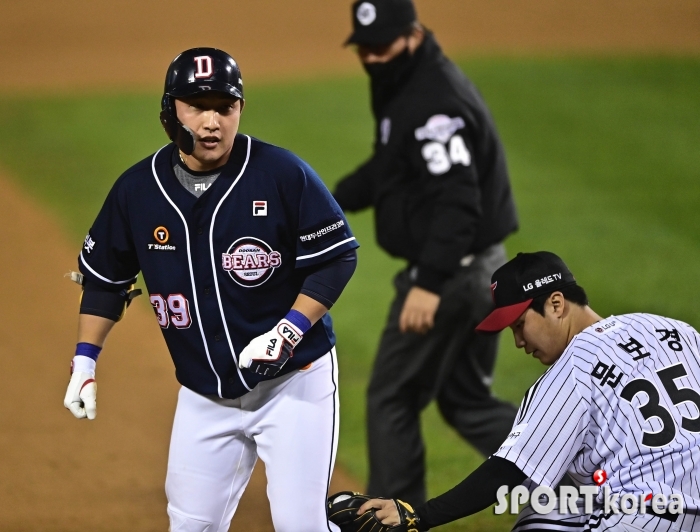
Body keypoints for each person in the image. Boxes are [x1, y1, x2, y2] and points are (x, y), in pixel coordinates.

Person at [63, 47, 359, 532]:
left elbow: (336, 257)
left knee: (300, 527)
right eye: (196, 106)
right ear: (169, 114)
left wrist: (287, 330)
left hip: (293, 384)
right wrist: (84, 360)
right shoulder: (136, 191)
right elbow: (104, 280)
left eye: (225, 107)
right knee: (190, 527)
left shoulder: (281, 173)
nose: (212, 121)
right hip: (204, 395)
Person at [342, 251, 700, 531]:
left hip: (643, 518)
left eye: (520, 325)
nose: (518, 342)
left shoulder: (573, 365)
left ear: (556, 304)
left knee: (541, 511)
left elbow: (505, 471)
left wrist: (420, 516)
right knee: (551, 510)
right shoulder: (674, 330)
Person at [333, 0, 519, 506]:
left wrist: (429, 284)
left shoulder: (431, 101)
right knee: (466, 401)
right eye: (364, 48)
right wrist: (328, 201)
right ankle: (587, 483)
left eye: (381, 46)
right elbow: (391, 166)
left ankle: (388, 516)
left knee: (392, 396)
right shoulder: (409, 82)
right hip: (482, 269)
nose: (372, 58)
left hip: (454, 273)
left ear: (412, 35)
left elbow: (459, 201)